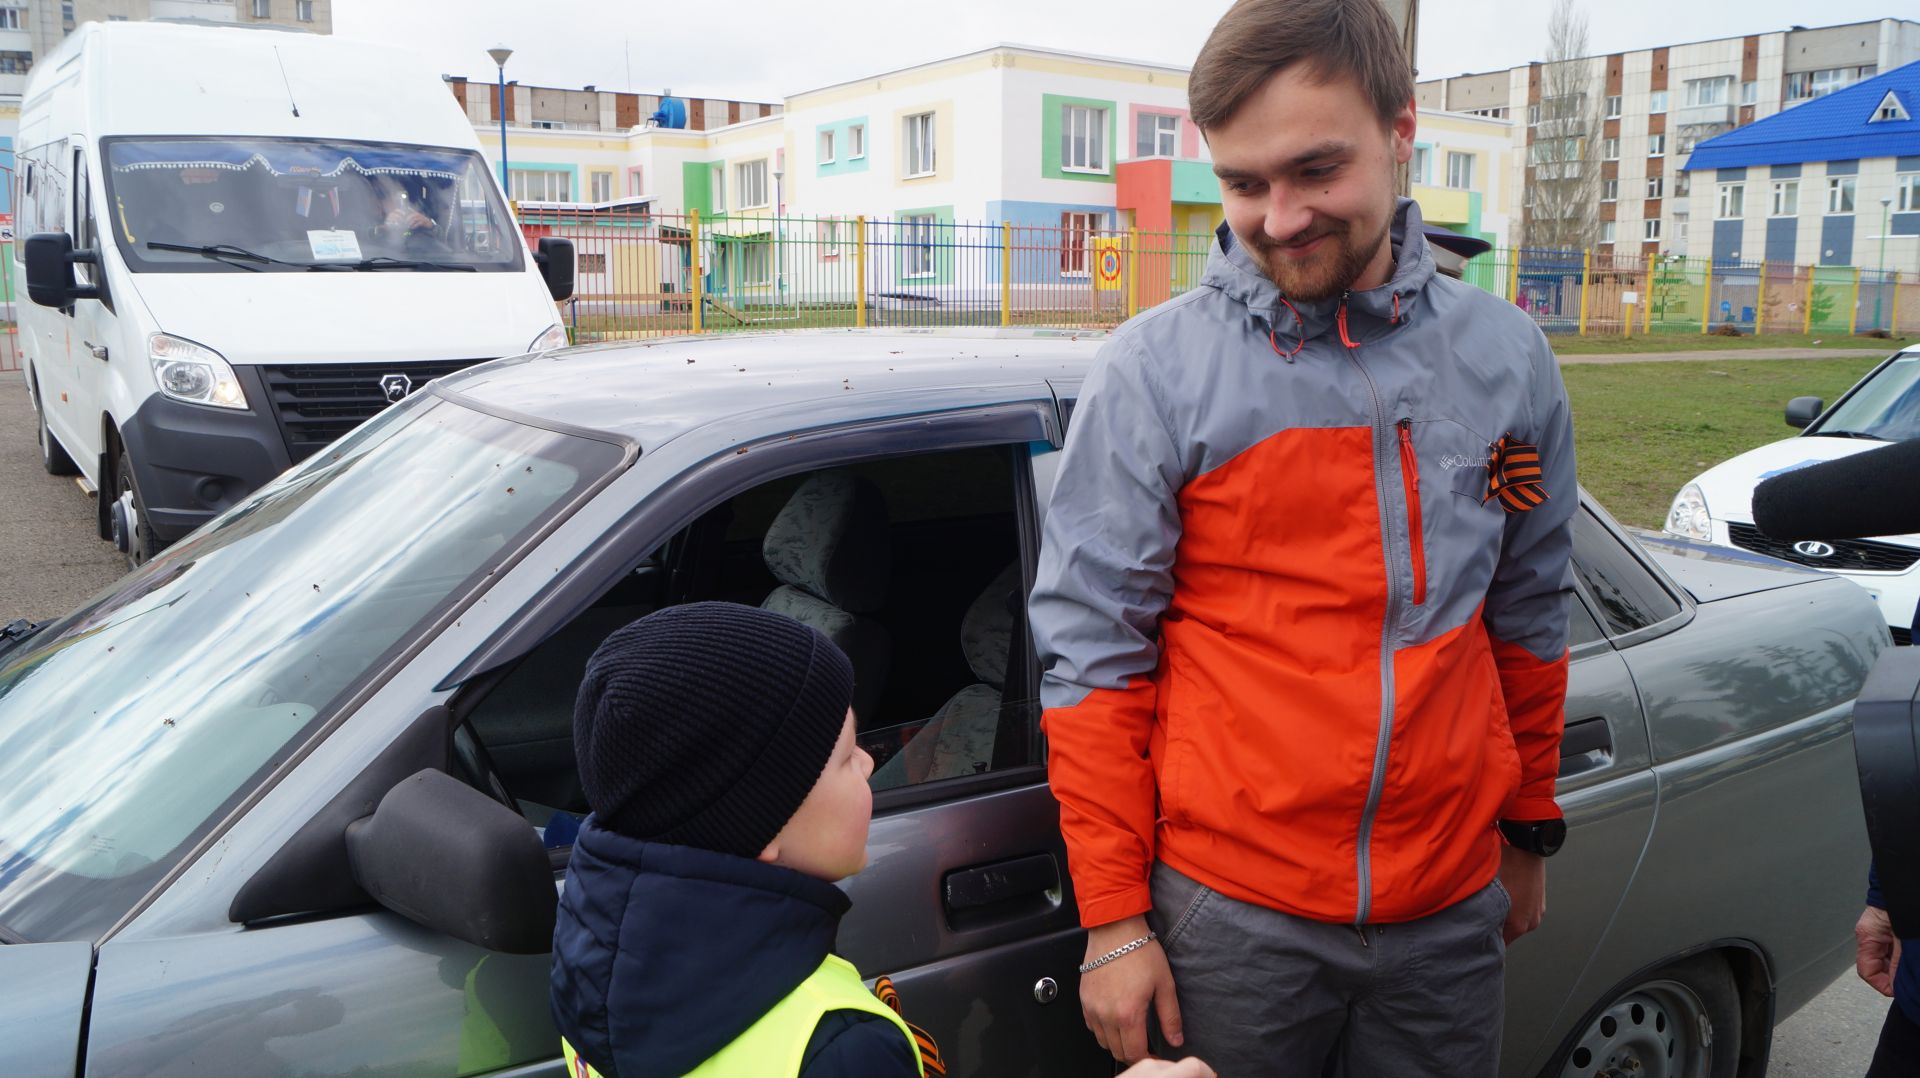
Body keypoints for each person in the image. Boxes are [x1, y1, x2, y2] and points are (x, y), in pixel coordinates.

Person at [1028, 0, 1577, 1074]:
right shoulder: (1154, 374)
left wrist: (1527, 830)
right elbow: (1092, 659)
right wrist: (1113, 920)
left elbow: (1528, 613)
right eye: (1242, 183)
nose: (1278, 217)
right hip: (1231, 924)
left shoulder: (1510, 358)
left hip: (1448, 914)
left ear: (1402, 130)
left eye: (1315, 171)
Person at [550, 601, 1217, 1077]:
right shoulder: (838, 1047)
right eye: (845, 758)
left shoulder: (598, 963)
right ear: (758, 828)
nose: (870, 762)